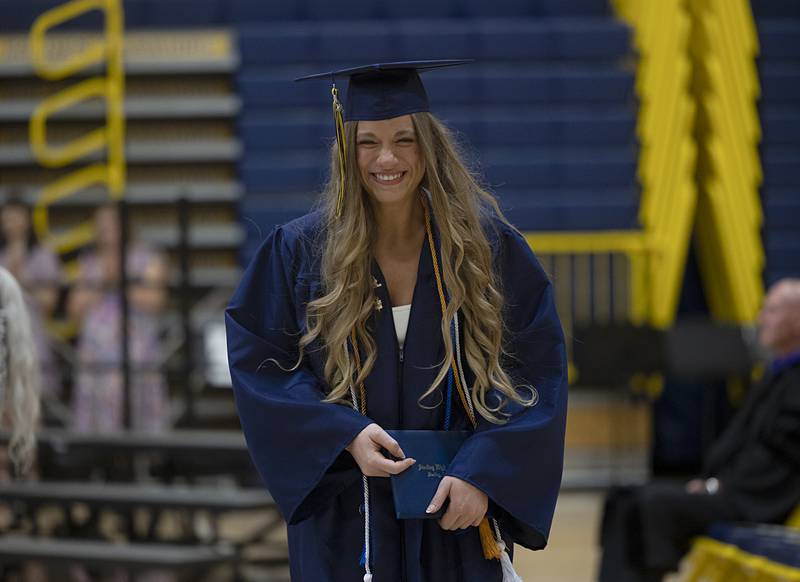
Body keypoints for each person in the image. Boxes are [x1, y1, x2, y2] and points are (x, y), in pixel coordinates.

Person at [226, 60, 568, 582]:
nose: (386, 158)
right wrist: (343, 434)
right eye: (368, 142)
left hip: (454, 513)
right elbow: (262, 366)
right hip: (350, 521)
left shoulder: (485, 249)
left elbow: (535, 373)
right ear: (347, 150)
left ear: (428, 146)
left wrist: (485, 474)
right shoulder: (301, 253)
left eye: (404, 140)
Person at [597, 278, 800, 582]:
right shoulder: (776, 373)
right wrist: (709, 482)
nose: (761, 319)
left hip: (755, 500)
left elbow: (773, 458)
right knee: (622, 498)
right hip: (728, 488)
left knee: (650, 505)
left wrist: (715, 486)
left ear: (796, 319)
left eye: (771, 311)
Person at [68, 204, 170, 433]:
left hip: (135, 344)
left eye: (111, 222)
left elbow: (156, 300)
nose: (105, 228)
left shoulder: (147, 257)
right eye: (100, 223)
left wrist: (121, 281)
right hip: (96, 347)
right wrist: (102, 283)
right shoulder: (89, 262)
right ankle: (100, 454)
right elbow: (74, 308)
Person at [0, 194, 63, 397]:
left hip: (30, 336)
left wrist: (22, 281)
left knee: (29, 407)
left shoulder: (43, 255)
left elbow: (50, 302)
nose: (10, 222)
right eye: (6, 216)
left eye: (16, 215)